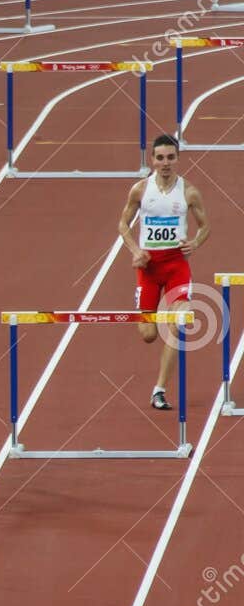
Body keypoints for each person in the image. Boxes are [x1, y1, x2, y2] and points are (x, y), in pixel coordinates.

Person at [117, 134, 209, 410]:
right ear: (152, 160)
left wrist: (195, 242)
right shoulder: (140, 190)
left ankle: (159, 390)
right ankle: (157, 309)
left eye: (170, 157)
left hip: (176, 267)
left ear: (177, 159)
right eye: (160, 158)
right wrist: (135, 250)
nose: (165, 163)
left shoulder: (189, 192)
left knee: (177, 326)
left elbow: (205, 226)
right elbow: (123, 225)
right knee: (148, 334)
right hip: (148, 267)